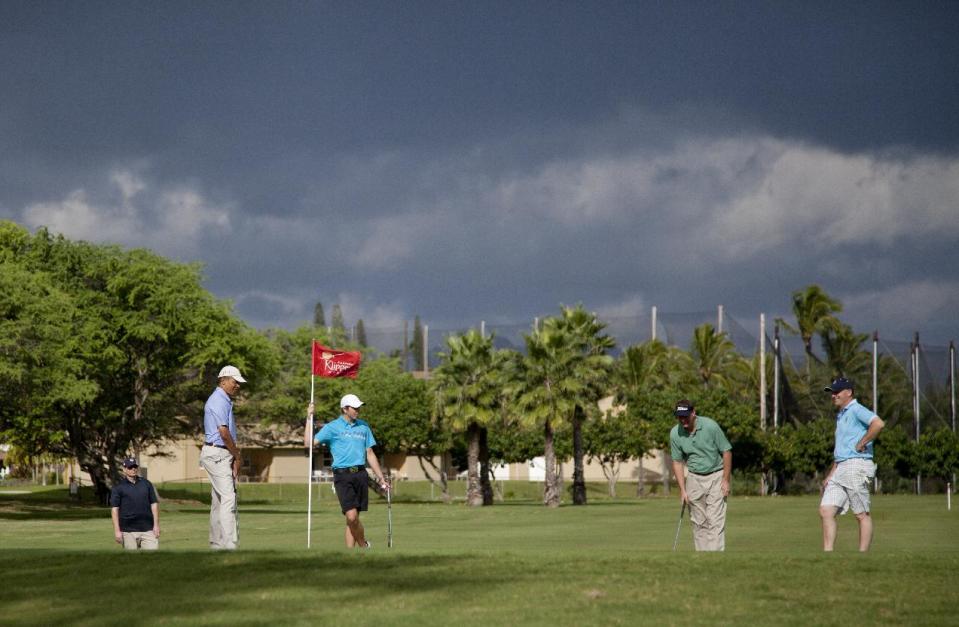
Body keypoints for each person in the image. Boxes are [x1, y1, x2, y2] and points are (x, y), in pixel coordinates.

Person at [305, 393, 389, 548]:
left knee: (353, 518)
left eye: (358, 407)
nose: (358, 410)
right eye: (354, 407)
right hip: (342, 475)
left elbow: (370, 453)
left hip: (360, 474)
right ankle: (364, 545)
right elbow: (309, 443)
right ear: (345, 409)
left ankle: (350, 554)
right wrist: (309, 418)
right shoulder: (332, 427)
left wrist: (381, 478)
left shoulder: (364, 426)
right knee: (351, 517)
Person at [820, 377, 885, 552]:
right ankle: (827, 554)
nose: (833, 396)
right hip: (841, 467)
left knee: (861, 513)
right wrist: (831, 474)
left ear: (848, 392)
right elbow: (842, 449)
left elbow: (878, 423)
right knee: (826, 510)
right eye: (832, 393)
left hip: (857, 464)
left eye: (837, 392)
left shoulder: (856, 409)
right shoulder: (841, 414)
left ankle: (862, 555)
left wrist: (863, 441)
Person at [670, 399, 732, 551]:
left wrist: (725, 479)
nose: (682, 419)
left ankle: (715, 559)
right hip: (694, 479)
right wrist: (683, 490)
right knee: (699, 523)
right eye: (679, 416)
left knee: (715, 521)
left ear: (693, 413)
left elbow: (726, 451)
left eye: (685, 416)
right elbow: (677, 462)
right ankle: (703, 559)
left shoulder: (710, 426)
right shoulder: (675, 433)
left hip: (716, 476)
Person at [200, 365, 246, 550]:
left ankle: (217, 544)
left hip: (220, 453)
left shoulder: (224, 399)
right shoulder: (218, 400)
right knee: (228, 497)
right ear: (224, 380)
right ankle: (229, 544)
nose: (238, 386)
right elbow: (223, 432)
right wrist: (237, 454)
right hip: (217, 452)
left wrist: (233, 456)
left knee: (219, 500)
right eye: (235, 382)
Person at [110, 457, 160, 550]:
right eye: (130, 467)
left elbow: (154, 504)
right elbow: (114, 510)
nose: (133, 469)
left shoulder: (146, 484)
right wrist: (117, 531)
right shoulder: (118, 487)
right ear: (124, 469)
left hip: (148, 530)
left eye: (135, 467)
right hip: (128, 531)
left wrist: (156, 525)